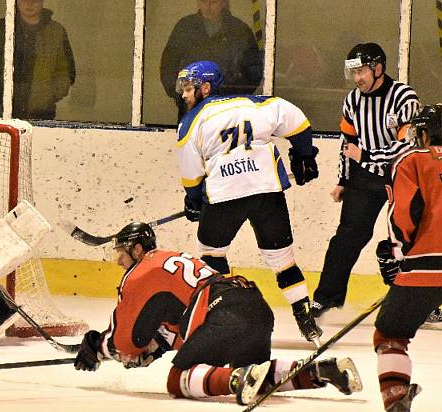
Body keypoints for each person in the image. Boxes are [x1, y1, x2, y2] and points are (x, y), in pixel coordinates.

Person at [72, 222, 362, 406]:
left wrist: (97, 348)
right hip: (252, 305)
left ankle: (237, 379)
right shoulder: (171, 261)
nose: (118, 261)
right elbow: (175, 324)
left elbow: (124, 341)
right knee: (260, 381)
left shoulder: (139, 273)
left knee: (178, 379)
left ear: (137, 249)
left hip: (221, 310)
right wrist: (155, 346)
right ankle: (320, 371)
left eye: (121, 253)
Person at [174, 60, 322, 342]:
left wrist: (194, 200)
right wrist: (305, 155)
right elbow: (297, 121)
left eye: (189, 88)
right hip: (267, 190)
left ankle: (226, 315)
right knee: (282, 260)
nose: (184, 94)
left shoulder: (191, 123)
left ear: (206, 88)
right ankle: (306, 320)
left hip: (225, 195)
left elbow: (192, 176)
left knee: (212, 255)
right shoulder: (255, 103)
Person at [311, 43, 421, 319]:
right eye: (354, 72)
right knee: (347, 236)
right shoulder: (352, 100)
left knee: (412, 238)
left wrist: (368, 154)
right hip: (365, 177)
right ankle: (326, 298)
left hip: (403, 175)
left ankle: (426, 299)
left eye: (361, 71)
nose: (357, 78)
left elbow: (406, 146)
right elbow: (348, 144)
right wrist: (343, 180)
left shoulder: (404, 97)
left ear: (378, 68)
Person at [371, 105, 442, 411]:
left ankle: (397, 397)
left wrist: (399, 253)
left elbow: (404, 213)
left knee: (390, 334)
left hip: (424, 266)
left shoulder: (412, 160)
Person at [0, 0, 75, 120]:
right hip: (6, 111)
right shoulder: (3, 28)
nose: (30, 4)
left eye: (35, 0)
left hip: (43, 115)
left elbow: (66, 73)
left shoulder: (55, 32)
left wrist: (48, 95)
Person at [160, 0, 262, 120]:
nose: (208, 7)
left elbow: (253, 70)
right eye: (203, 1)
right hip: (191, 109)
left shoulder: (240, 31)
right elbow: (168, 65)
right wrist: (179, 94)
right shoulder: (184, 28)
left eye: (213, 2)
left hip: (228, 112)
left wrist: (234, 98)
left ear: (223, 3)